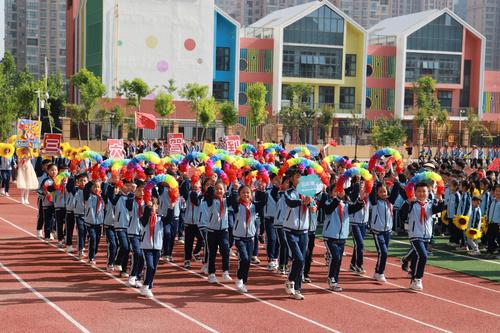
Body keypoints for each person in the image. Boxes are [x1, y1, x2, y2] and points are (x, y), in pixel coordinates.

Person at [400, 182, 445, 291]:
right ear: (415, 192)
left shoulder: (429, 204)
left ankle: (413, 278)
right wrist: (407, 202)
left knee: (416, 257)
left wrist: (440, 199)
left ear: (428, 192)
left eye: (424, 191)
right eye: (419, 191)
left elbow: (439, 209)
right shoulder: (412, 204)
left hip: (426, 235)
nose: (421, 194)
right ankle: (418, 279)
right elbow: (402, 215)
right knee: (423, 256)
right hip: (415, 234)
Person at [323, 186, 364, 291]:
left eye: (340, 191)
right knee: (335, 256)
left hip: (342, 237)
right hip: (330, 236)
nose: (339, 192)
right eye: (335, 191)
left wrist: (360, 200)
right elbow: (328, 210)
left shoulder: (345, 204)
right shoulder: (329, 202)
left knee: (339, 259)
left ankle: (335, 281)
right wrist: (337, 199)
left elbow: (354, 208)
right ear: (331, 193)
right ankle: (331, 278)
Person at [283, 167, 312, 300]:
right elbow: (290, 202)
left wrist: (312, 205)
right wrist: (302, 202)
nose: (300, 180)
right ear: (292, 179)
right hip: (291, 231)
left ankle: (297, 288)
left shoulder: (308, 193)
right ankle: (290, 280)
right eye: (297, 177)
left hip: (304, 231)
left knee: (302, 260)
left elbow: (313, 206)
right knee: (298, 258)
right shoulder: (288, 192)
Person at [368, 175, 402, 283]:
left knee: (383, 253)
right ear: (377, 193)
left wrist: (396, 182)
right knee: (383, 252)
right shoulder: (375, 202)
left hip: (387, 231)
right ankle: (380, 272)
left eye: (385, 191)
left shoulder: (389, 201)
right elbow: (371, 194)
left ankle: (377, 272)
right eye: (381, 192)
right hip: (377, 232)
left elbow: (395, 192)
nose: (384, 193)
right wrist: (373, 183)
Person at [231, 184, 263, 293]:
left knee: (248, 261)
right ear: (239, 195)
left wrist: (261, 189)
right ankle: (240, 279)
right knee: (244, 258)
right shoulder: (237, 205)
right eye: (243, 192)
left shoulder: (254, 206)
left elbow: (264, 202)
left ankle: (243, 281)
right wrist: (235, 189)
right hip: (239, 237)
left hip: (250, 237)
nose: (246, 194)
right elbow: (232, 200)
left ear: (251, 194)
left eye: (248, 192)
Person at [205, 180, 234, 283]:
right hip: (212, 230)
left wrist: (234, 188)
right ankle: (211, 273)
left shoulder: (226, 201)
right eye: (217, 189)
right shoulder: (210, 200)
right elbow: (209, 192)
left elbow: (233, 198)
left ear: (225, 190)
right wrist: (212, 184)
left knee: (225, 250)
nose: (219, 191)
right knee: (212, 252)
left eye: (221, 189)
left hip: (223, 231)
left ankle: (225, 271)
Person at [140, 198, 169, 298]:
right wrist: (148, 207)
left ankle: (148, 286)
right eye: (150, 205)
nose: (152, 207)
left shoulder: (160, 218)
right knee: (150, 266)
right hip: (146, 246)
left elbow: (169, 219)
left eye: (154, 205)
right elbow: (144, 219)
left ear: (157, 207)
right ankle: (146, 285)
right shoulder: (144, 218)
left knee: (154, 268)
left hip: (157, 247)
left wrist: (171, 207)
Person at [83, 180, 104, 266]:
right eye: (94, 187)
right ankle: (91, 257)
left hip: (99, 223)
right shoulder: (88, 196)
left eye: (98, 187)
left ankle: (94, 254)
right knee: (93, 238)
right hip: (90, 222)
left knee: (97, 240)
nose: (96, 189)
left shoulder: (102, 198)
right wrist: (91, 180)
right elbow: (86, 189)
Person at [486, 184, 500, 258]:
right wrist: (487, 220)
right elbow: (489, 211)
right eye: (496, 191)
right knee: (490, 237)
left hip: (498, 224)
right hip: (491, 223)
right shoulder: (493, 201)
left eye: (499, 191)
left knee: (499, 239)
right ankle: (490, 250)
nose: (498, 193)